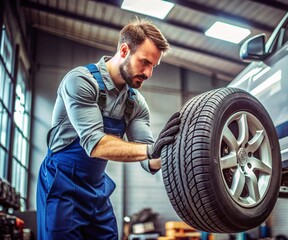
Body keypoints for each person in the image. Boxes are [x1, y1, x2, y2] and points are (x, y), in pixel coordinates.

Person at [36, 18, 181, 239]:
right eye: (144, 62)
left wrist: (178, 148)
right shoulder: (80, 81)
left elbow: (148, 160)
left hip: (96, 190)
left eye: (153, 66)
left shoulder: (136, 102)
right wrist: (150, 150)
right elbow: (95, 144)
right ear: (124, 50)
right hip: (61, 185)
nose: (149, 73)